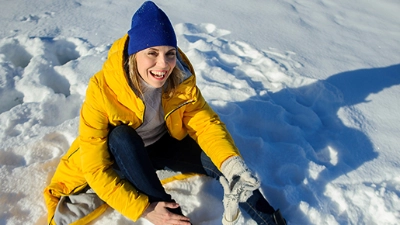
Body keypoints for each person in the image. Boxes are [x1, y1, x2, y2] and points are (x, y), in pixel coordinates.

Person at [43, 1, 287, 225]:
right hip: (124, 156)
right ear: (134, 54)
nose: (163, 64)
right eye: (152, 53)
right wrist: (146, 208)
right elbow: (95, 168)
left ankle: (271, 221)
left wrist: (232, 165)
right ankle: (173, 220)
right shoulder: (102, 90)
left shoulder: (179, 77)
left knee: (228, 167)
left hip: (162, 145)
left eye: (170, 53)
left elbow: (205, 123)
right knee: (121, 136)